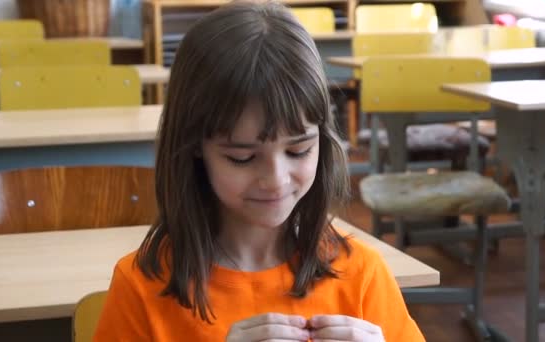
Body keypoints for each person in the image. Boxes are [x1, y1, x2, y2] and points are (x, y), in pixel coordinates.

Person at [94, 1, 424, 341]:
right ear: (194, 146)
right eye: (242, 158)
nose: (276, 180)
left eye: (299, 150)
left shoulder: (359, 274)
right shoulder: (141, 288)